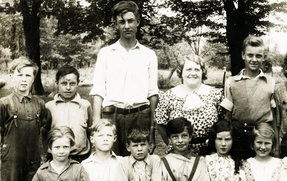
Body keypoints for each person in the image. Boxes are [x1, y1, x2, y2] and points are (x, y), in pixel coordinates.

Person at [90, 0, 159, 156]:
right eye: (122, 22)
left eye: (130, 21)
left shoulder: (149, 55)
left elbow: (152, 92)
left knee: (138, 164)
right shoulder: (106, 53)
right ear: (116, 25)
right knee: (112, 164)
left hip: (140, 116)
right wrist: (96, 123)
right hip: (112, 116)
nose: (126, 26)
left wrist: (153, 126)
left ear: (138, 22)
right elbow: (98, 91)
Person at [0, 56, 51, 181]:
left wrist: (43, 154)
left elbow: (46, 129)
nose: (23, 79)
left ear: (33, 78)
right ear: (12, 76)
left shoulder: (40, 104)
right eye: (19, 74)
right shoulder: (4, 104)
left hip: (33, 162)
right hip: (10, 163)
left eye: (28, 75)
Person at [220, 35, 276, 161]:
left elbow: (274, 117)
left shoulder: (271, 82)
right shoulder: (231, 82)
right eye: (250, 55)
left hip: (263, 137)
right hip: (239, 136)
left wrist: (275, 143)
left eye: (258, 56)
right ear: (243, 55)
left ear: (263, 57)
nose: (254, 59)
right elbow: (227, 116)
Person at [155, 54, 223, 152]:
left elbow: (222, 123)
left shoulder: (216, 94)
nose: (193, 73)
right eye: (188, 69)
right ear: (181, 72)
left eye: (197, 69)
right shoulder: (168, 96)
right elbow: (160, 123)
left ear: (202, 72)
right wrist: (173, 144)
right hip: (179, 153)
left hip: (209, 152)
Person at [46, 65, 92, 162]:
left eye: (72, 83)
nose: (68, 87)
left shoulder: (85, 105)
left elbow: (90, 131)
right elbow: (44, 131)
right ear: (57, 83)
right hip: (56, 156)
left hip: (81, 156)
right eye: (64, 83)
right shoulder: (49, 106)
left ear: (78, 84)